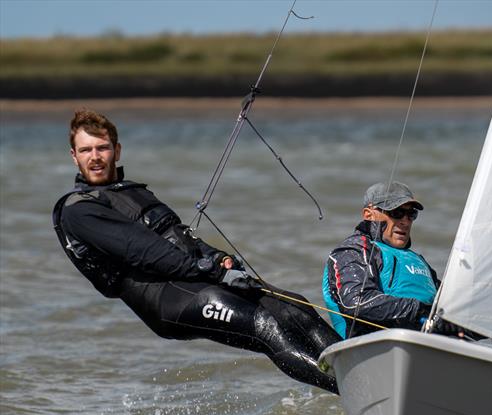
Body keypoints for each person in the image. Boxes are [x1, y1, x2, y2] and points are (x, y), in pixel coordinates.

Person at [53, 109, 339, 393]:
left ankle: (360, 369)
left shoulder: (133, 193)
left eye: (102, 148)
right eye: (86, 150)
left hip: (195, 278)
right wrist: (213, 272)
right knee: (265, 326)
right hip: (165, 299)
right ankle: (351, 390)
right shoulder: (79, 210)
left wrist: (218, 258)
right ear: (74, 156)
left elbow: (180, 237)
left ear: (116, 150)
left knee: (294, 307)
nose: (95, 157)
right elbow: (146, 253)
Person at [322, 182, 440, 338]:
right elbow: (357, 302)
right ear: (369, 214)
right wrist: (421, 312)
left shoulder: (419, 261)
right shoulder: (353, 250)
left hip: (428, 344)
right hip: (371, 345)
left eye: (411, 214)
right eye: (396, 212)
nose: (405, 221)